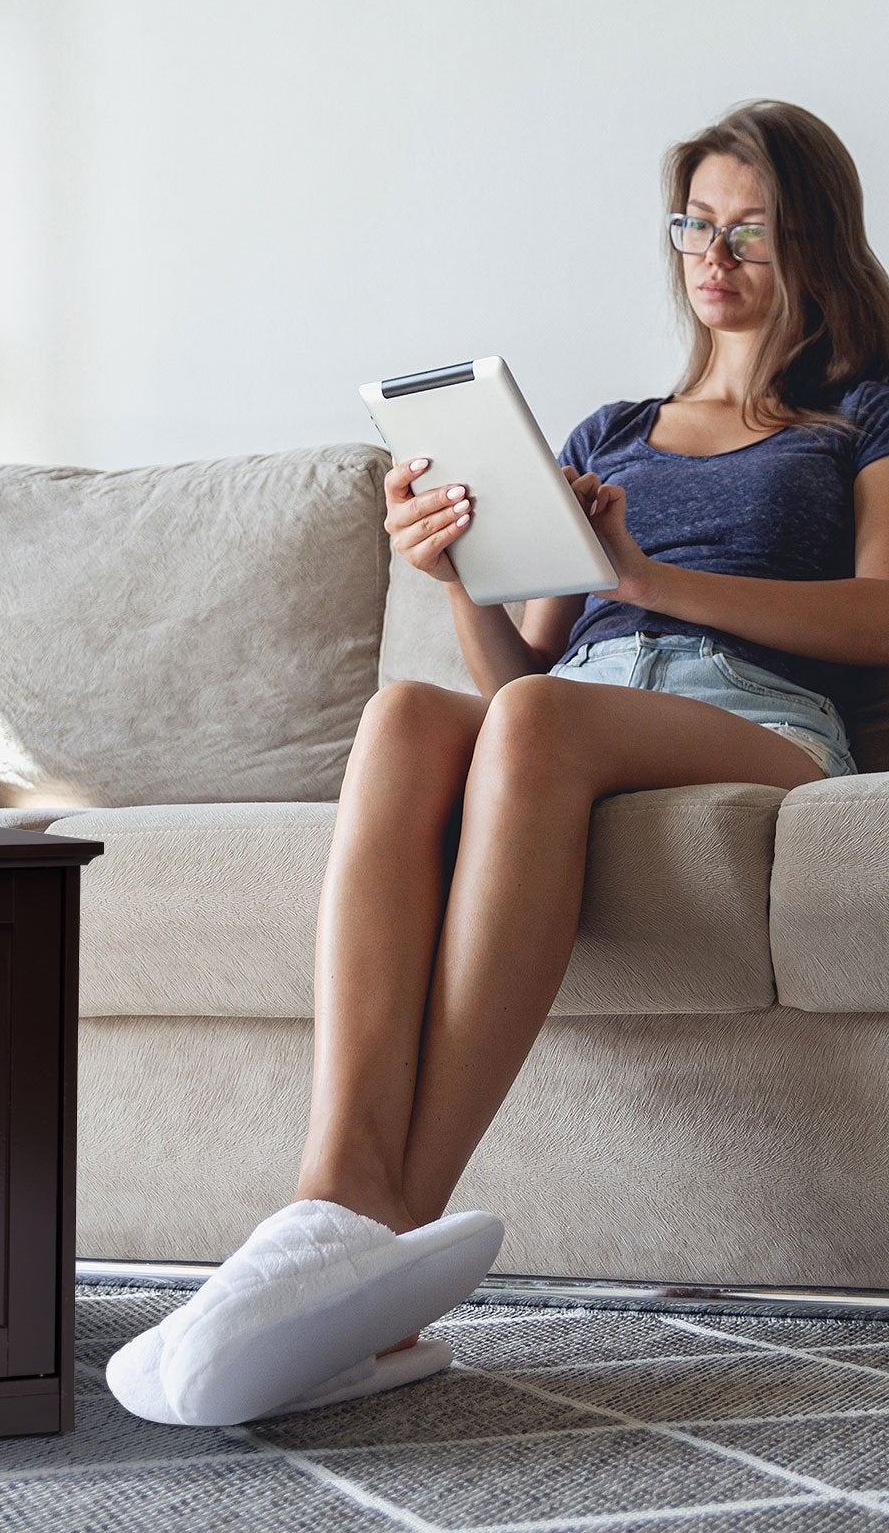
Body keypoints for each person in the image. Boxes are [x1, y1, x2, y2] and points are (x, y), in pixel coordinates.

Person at [109, 98, 889, 1427]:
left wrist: (647, 577)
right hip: (584, 705)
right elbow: (520, 681)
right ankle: (331, 1201)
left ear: (815, 242)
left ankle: (388, 1241)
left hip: (757, 716)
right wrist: (456, 573)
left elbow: (880, 615)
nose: (715, 258)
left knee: (530, 728)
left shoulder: (856, 418)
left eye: (751, 232)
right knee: (407, 717)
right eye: (694, 226)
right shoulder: (606, 430)